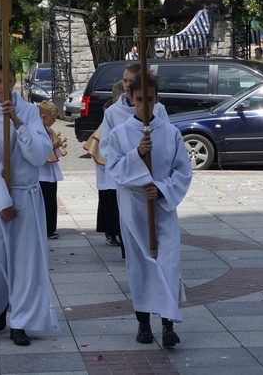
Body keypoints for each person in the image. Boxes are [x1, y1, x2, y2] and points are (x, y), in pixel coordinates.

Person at [0, 61, 60, 346]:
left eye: (6, 81)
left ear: (13, 81)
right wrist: (2, 201)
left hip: (26, 193)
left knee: (25, 264)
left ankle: (20, 321)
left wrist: (18, 123)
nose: (1, 86)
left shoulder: (30, 112)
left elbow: (39, 154)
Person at [105, 73, 192, 347]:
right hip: (133, 207)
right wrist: (138, 155)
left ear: (157, 99)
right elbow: (115, 170)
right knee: (141, 265)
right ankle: (143, 322)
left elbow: (183, 171)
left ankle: (168, 324)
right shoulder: (120, 134)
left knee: (167, 263)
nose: (145, 105)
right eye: (139, 99)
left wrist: (162, 188)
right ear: (130, 98)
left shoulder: (170, 132)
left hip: (162, 207)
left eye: (150, 99)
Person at [98, 63, 169, 258]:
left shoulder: (159, 109)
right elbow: (106, 148)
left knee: (160, 243)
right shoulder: (113, 112)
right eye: (125, 80)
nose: (128, 85)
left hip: (154, 183)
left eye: (132, 81)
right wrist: (134, 155)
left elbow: (167, 141)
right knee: (134, 248)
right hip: (129, 183)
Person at [84, 80, 125, 247]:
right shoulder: (111, 115)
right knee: (110, 204)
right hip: (109, 171)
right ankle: (111, 234)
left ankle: (118, 233)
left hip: (119, 172)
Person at [37, 101, 65, 240]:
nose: (54, 121)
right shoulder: (36, 130)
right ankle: (45, 229)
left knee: (51, 201)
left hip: (49, 172)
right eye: (53, 118)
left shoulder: (47, 130)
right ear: (43, 116)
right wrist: (52, 145)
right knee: (45, 202)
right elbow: (37, 149)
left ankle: (50, 228)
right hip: (41, 174)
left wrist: (57, 145)